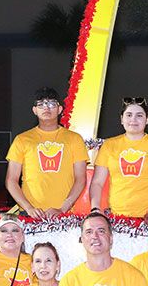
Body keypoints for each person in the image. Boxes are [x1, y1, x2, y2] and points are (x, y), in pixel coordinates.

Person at [89, 97, 148, 217]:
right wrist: (95, 208)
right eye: (128, 115)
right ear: (121, 119)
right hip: (117, 216)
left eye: (139, 115)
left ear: (147, 119)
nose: (133, 119)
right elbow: (97, 182)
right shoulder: (109, 146)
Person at [5, 87, 89, 218]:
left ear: (60, 109)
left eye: (51, 104)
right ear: (35, 110)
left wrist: (63, 208)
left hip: (65, 214)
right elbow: (11, 180)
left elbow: (80, 178)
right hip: (30, 213)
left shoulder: (74, 139)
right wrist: (29, 208)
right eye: (41, 104)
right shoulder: (22, 139)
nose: (46, 108)